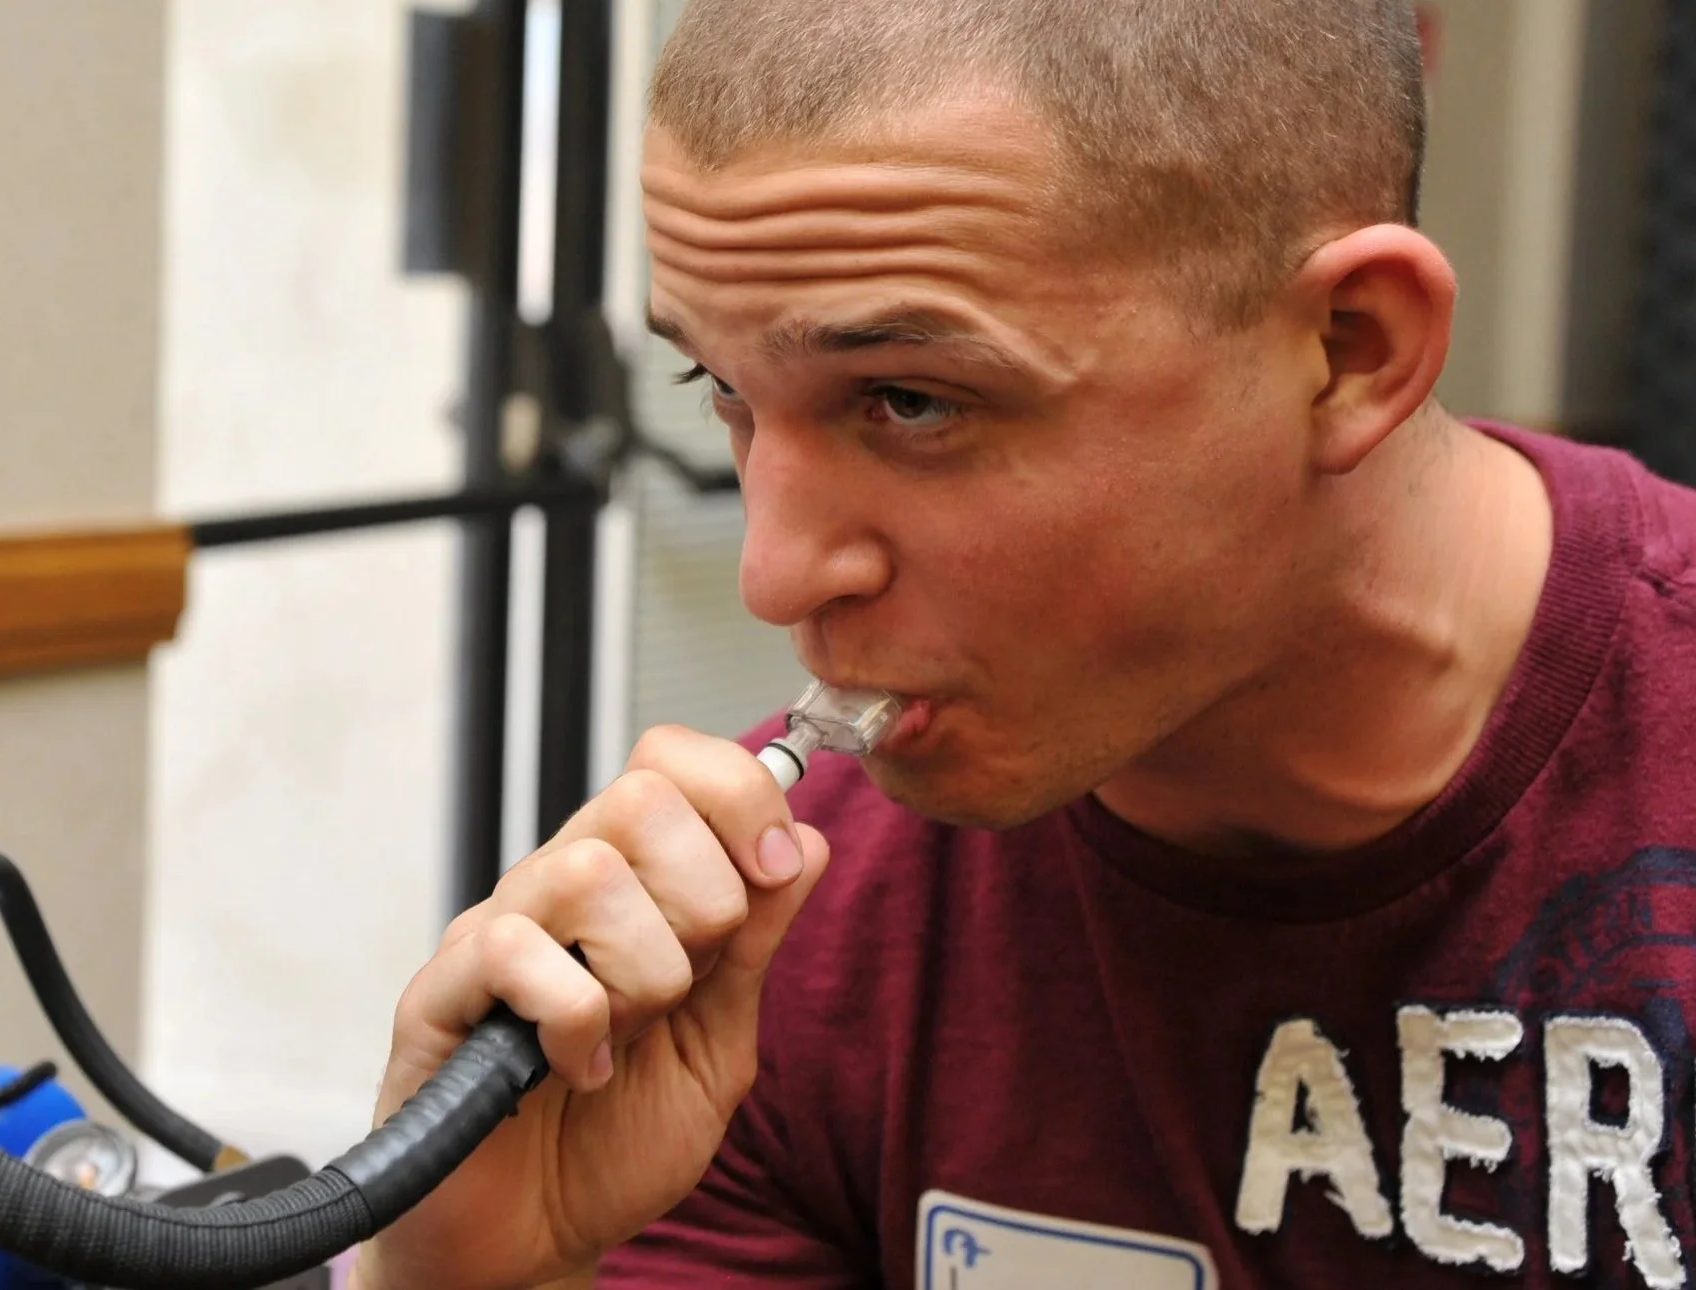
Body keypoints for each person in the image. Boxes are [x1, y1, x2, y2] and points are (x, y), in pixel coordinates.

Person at [349, 0, 1696, 1286]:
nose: (775, 574)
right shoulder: (772, 947)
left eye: (911, 400)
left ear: (1349, 349)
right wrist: (486, 1272)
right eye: (723, 386)